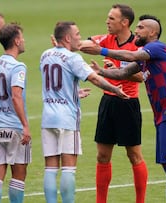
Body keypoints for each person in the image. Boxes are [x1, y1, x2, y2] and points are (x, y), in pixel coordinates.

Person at [80, 14, 166, 203]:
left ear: (152, 32)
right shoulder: (147, 57)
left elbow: (131, 55)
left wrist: (102, 50)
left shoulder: (157, 47)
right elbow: (123, 72)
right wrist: (101, 72)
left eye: (140, 28)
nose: (136, 31)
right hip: (164, 115)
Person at [39, 21, 129, 203]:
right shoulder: (73, 58)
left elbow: (57, 84)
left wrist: (74, 92)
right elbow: (95, 79)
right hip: (67, 119)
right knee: (68, 168)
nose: (80, 38)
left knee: (50, 168)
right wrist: (115, 89)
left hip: (48, 118)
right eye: (77, 34)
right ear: (67, 38)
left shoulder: (45, 55)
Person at [84, 4, 148, 203]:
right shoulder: (106, 39)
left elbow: (141, 77)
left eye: (112, 18)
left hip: (128, 103)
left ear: (124, 22)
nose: (107, 21)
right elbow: (85, 44)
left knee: (134, 155)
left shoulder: (138, 46)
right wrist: (80, 43)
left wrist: (118, 66)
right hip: (108, 102)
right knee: (102, 155)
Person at [0, 23, 32, 203]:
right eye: (22, 37)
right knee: (19, 175)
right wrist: (25, 125)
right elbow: (16, 96)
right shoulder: (18, 66)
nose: (24, 41)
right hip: (14, 128)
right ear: (17, 40)